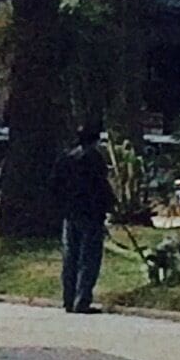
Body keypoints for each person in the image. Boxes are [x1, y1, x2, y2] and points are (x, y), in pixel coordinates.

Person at [53, 123, 115, 314]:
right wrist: (110, 204)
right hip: (90, 213)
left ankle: (68, 298)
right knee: (89, 257)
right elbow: (101, 184)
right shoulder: (94, 158)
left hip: (70, 213)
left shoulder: (66, 157)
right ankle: (82, 299)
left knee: (70, 256)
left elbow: (55, 184)